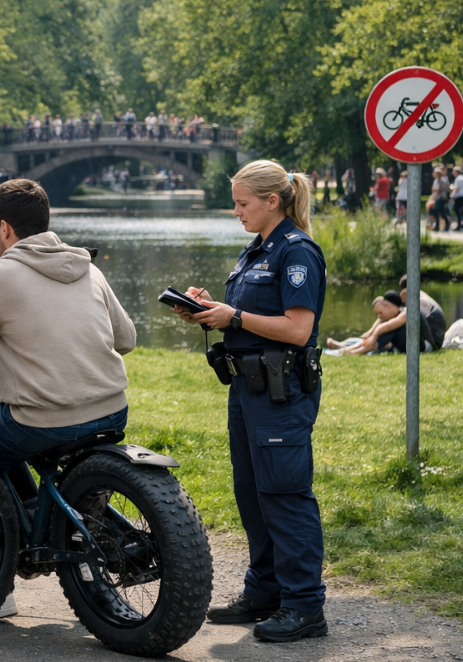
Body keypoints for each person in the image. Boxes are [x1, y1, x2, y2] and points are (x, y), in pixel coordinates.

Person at [172, 160, 328, 642]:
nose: (236, 210)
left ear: (272, 201)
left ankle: (304, 606)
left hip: (281, 390)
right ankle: (265, 591)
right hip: (247, 389)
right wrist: (206, 311)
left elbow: (298, 329)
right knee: (253, 494)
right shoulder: (256, 249)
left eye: (242, 203)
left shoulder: (296, 252)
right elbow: (246, 315)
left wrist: (233, 316)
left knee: (284, 493)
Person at [0, 178, 135, 473]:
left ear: (4, 228)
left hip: (41, 422)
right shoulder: (88, 269)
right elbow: (126, 340)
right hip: (113, 410)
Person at [326, 291, 434, 355]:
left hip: (423, 347)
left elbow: (388, 326)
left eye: (381, 312)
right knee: (382, 331)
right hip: (411, 345)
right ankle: (344, 349)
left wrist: (374, 336)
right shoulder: (392, 315)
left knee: (393, 329)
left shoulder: (406, 313)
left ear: (389, 307)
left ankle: (350, 352)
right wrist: (371, 335)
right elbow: (370, 333)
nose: (379, 316)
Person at [398, 274, 446, 344]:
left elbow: (415, 322)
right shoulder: (420, 295)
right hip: (434, 337)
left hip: (434, 340)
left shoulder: (420, 300)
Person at [451, 166, 463, 231]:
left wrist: (451, 190)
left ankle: (460, 224)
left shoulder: (458, 179)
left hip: (459, 196)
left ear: (456, 172)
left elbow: (456, 188)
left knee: (456, 209)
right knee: (460, 209)